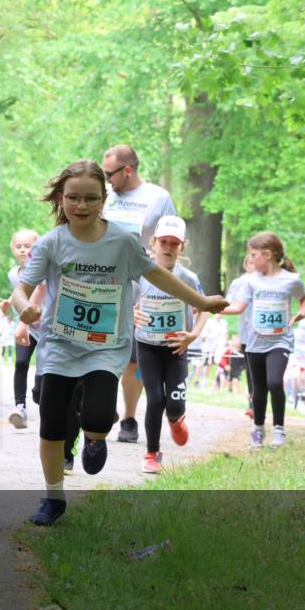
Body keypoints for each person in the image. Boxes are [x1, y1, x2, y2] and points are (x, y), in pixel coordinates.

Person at [13, 159, 226, 526]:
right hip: (60, 346)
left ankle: (95, 438)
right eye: (73, 198)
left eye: (90, 199)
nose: (81, 206)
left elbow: (159, 276)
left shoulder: (122, 242)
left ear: (103, 199)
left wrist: (202, 302)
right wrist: (24, 310)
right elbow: (23, 289)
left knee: (96, 420)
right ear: (61, 198)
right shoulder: (50, 243)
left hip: (105, 347)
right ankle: (53, 498)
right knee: (52, 425)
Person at [101, 145, 178, 444]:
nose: (107, 179)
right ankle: (102, 405)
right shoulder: (105, 196)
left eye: (110, 174)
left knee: (134, 357)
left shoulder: (158, 198)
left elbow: (171, 240)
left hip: (140, 283)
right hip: (103, 279)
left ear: (127, 171)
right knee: (102, 349)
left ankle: (129, 417)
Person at [132, 216, 208, 474]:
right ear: (153, 243)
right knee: (155, 399)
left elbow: (203, 309)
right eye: (163, 242)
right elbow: (123, 305)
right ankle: (152, 453)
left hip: (177, 349)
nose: (167, 247)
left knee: (174, 405)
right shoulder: (140, 274)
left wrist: (192, 335)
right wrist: (131, 315)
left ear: (182, 247)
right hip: (147, 346)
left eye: (174, 244)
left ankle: (176, 419)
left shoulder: (188, 277)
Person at [223, 232, 305, 449]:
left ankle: (279, 429)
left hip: (280, 341)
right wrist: (209, 306)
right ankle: (258, 430)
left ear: (268, 255)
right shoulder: (250, 281)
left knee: (274, 382)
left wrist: (302, 312)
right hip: (254, 342)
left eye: (254, 255)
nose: (250, 260)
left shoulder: (291, 280)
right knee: (259, 388)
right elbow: (238, 307)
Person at [7, 228, 46, 429]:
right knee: (21, 363)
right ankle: (19, 407)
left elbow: (38, 290)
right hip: (27, 329)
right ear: (13, 249)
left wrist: (23, 322)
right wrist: (8, 302)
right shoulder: (13, 274)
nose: (22, 250)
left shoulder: (43, 269)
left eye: (28, 246)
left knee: (42, 375)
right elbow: (20, 293)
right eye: (18, 246)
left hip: (47, 329)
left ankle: (40, 395)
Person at [226, 254, 257, 417]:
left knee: (262, 370)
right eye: (251, 263)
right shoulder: (239, 283)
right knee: (251, 370)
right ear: (246, 265)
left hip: (266, 334)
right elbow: (228, 302)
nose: (254, 266)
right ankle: (253, 404)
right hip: (247, 334)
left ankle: (258, 401)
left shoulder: (266, 282)